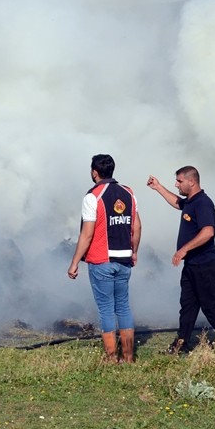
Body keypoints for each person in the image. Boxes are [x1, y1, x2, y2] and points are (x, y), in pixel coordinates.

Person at [146, 166, 215, 355]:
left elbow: (208, 232)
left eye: (179, 181)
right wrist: (159, 187)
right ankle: (181, 344)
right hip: (192, 265)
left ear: (192, 181)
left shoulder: (203, 203)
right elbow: (178, 203)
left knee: (211, 306)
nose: (176, 184)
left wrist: (184, 249)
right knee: (188, 306)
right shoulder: (190, 201)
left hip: (205, 264)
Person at [67, 154, 142, 363]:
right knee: (123, 307)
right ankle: (128, 357)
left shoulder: (93, 196)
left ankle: (111, 358)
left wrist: (74, 262)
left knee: (106, 309)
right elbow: (137, 227)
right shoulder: (129, 193)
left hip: (101, 261)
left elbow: (87, 234)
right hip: (124, 259)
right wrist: (134, 252)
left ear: (94, 172)